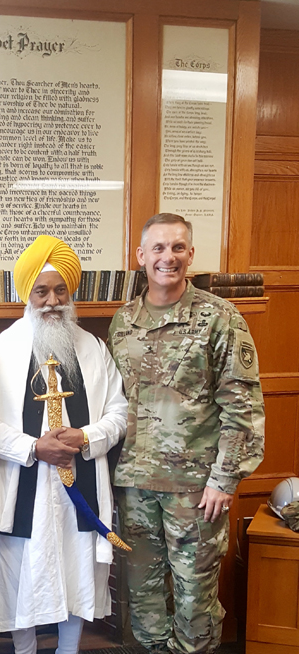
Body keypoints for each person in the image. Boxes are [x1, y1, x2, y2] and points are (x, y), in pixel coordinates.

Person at [108, 213, 265, 654]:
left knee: (195, 598)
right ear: (141, 256)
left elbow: (242, 406)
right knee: (143, 597)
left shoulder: (220, 318)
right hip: (135, 485)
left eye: (177, 248)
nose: (168, 257)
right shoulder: (123, 322)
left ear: (190, 255)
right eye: (157, 248)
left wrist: (225, 479)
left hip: (196, 489)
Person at [0, 235, 127, 654]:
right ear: (28, 294)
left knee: (77, 565)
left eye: (61, 290)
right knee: (21, 569)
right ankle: (24, 650)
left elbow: (119, 412)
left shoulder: (93, 348)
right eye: (42, 291)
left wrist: (86, 436)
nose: (52, 300)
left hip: (81, 482)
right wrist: (34, 448)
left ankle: (69, 649)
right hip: (23, 482)